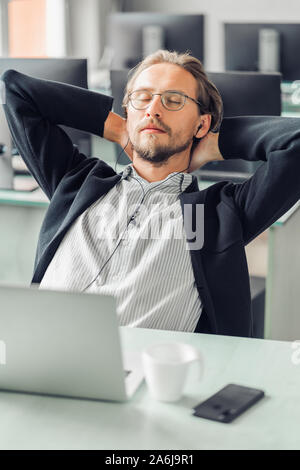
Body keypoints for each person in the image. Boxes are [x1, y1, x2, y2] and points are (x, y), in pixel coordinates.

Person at [1, 50, 300, 337]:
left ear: (201, 123)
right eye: (142, 98)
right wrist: (117, 128)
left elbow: (295, 143)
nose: (153, 110)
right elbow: (18, 91)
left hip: (149, 375)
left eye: (173, 101)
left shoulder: (217, 214)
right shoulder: (78, 182)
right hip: (40, 353)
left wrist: (215, 143)